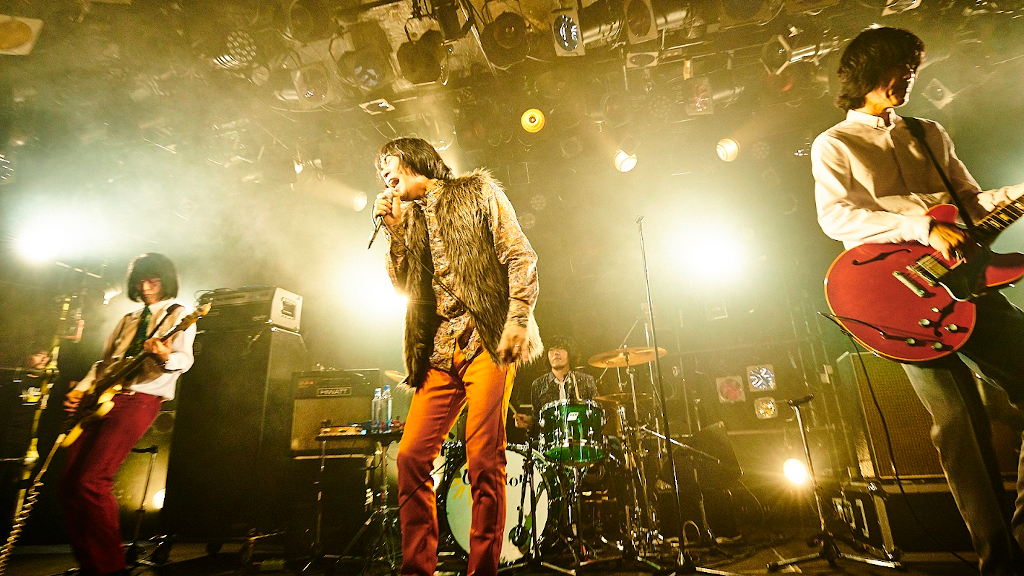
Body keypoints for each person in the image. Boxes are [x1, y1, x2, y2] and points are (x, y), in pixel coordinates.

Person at [813, 26, 1024, 574]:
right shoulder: (836, 143)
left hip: (969, 279)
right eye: (899, 66)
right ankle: (1000, 561)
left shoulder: (929, 132)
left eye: (913, 67)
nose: (909, 76)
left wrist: (1016, 194)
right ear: (867, 72)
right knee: (958, 425)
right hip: (901, 295)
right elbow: (838, 217)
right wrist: (922, 227)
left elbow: (969, 202)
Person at [372, 137, 542, 576]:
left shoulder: (476, 191)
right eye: (380, 170)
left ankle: (482, 570)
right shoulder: (408, 220)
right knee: (410, 457)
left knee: (484, 457)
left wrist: (517, 319)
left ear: (414, 159)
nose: (384, 174)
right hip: (439, 351)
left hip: (487, 340)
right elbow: (403, 288)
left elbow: (520, 255)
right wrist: (393, 232)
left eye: (389, 163)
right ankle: (417, 569)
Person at [58, 253, 195, 576]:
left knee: (92, 480)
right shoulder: (129, 319)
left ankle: (111, 568)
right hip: (102, 398)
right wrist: (82, 390)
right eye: (140, 281)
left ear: (165, 281)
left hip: (140, 398)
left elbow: (185, 360)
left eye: (153, 281)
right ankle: (91, 565)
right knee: (67, 485)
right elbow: (105, 364)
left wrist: (165, 356)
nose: (145, 287)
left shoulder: (179, 315)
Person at [513, 336, 599, 431]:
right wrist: (529, 422)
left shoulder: (586, 380)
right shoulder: (538, 385)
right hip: (553, 438)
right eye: (551, 350)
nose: (556, 353)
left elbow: (597, 412)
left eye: (561, 348)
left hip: (582, 435)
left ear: (570, 354)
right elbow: (538, 420)